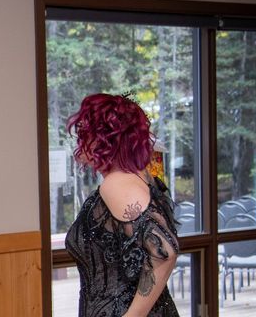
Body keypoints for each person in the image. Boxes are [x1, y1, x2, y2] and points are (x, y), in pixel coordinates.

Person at [64, 93, 180, 317]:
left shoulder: (116, 183)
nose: (80, 141)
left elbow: (164, 250)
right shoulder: (137, 177)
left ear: (103, 138)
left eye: (85, 133)